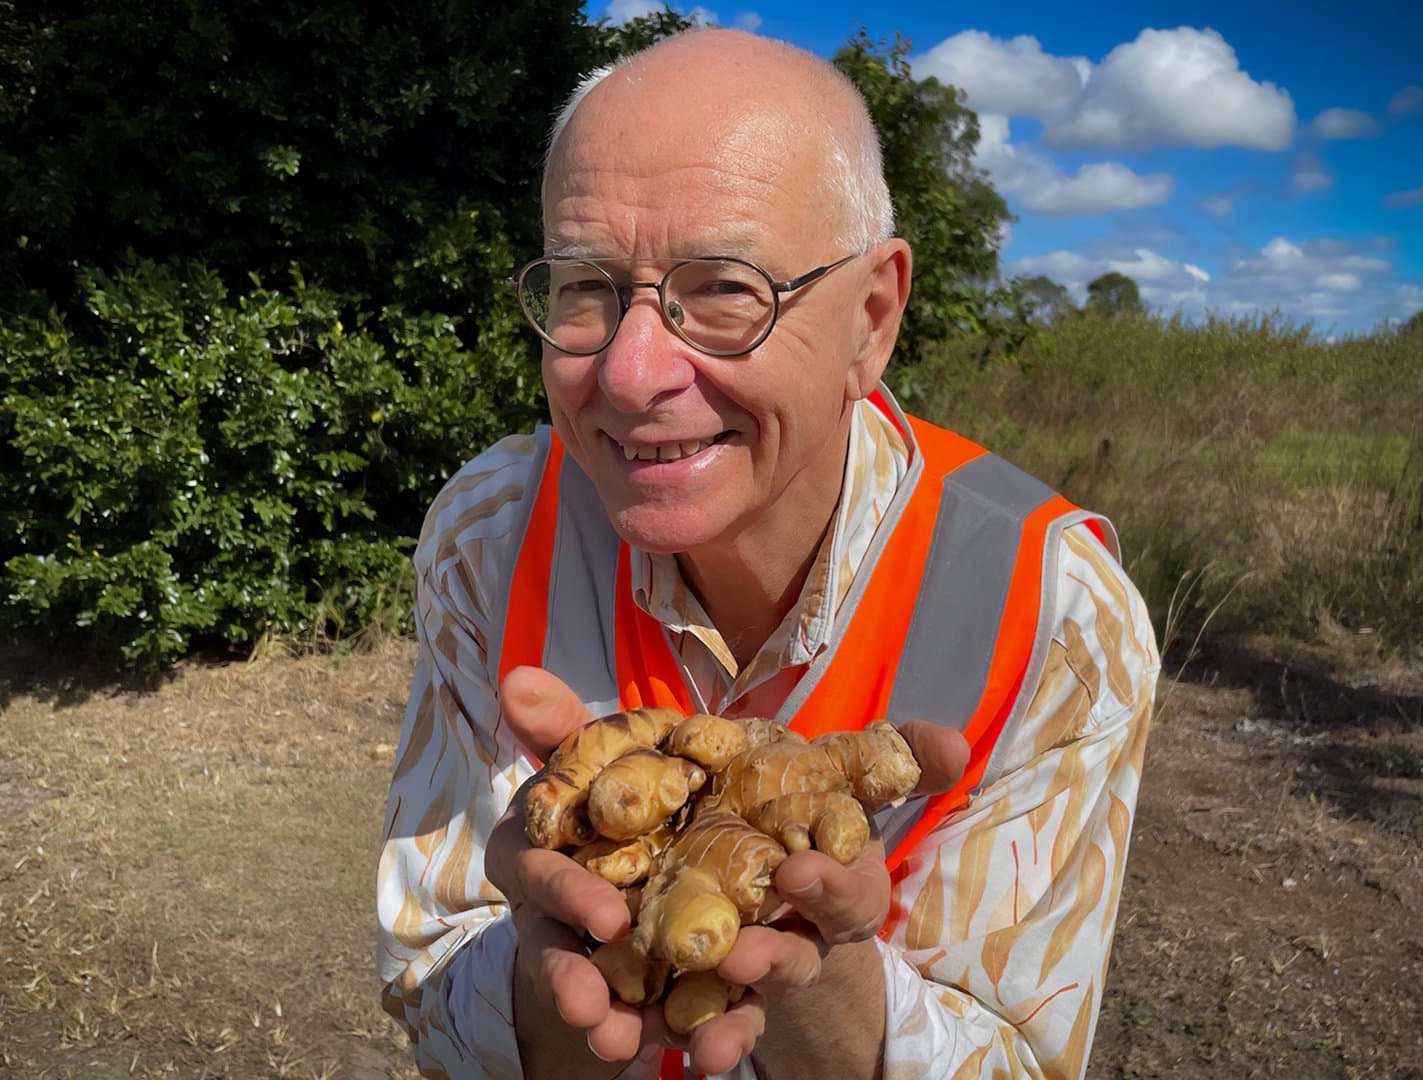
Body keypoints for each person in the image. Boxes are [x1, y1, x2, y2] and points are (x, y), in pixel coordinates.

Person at [376, 28, 1158, 1080]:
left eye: (726, 288)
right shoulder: (491, 534)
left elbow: (1018, 1054)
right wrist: (552, 967)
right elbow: (432, 991)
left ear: (871, 320)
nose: (632, 370)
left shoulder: (1054, 610)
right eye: (585, 285)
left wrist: (814, 978)